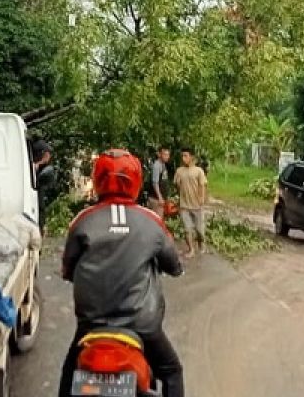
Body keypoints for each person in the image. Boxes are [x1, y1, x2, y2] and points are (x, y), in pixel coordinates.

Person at [59, 149, 185, 397]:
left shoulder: (82, 221)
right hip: (143, 325)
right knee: (172, 371)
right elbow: (173, 265)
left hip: (92, 325)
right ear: (136, 181)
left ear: (97, 180)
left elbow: (67, 269)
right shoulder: (151, 221)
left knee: (69, 372)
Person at [173, 147, 208, 258]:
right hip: (184, 205)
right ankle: (191, 249)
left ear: (191, 157)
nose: (184, 158)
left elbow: (202, 185)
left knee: (199, 230)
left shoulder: (199, 171)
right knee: (187, 229)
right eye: (182, 156)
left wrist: (201, 198)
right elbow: (176, 185)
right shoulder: (179, 171)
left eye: (186, 156)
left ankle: (201, 244)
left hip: (197, 205)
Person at [32, 139, 58, 232]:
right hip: (43, 174)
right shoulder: (36, 144)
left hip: (45, 174)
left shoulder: (39, 144)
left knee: (40, 203)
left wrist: (37, 164)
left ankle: (41, 228)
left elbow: (47, 156)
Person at [148, 146, 172, 217]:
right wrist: (160, 197)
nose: (167, 157)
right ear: (159, 154)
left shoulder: (163, 164)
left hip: (160, 199)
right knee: (157, 220)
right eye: (165, 154)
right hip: (156, 199)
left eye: (168, 155)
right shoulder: (157, 166)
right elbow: (155, 183)